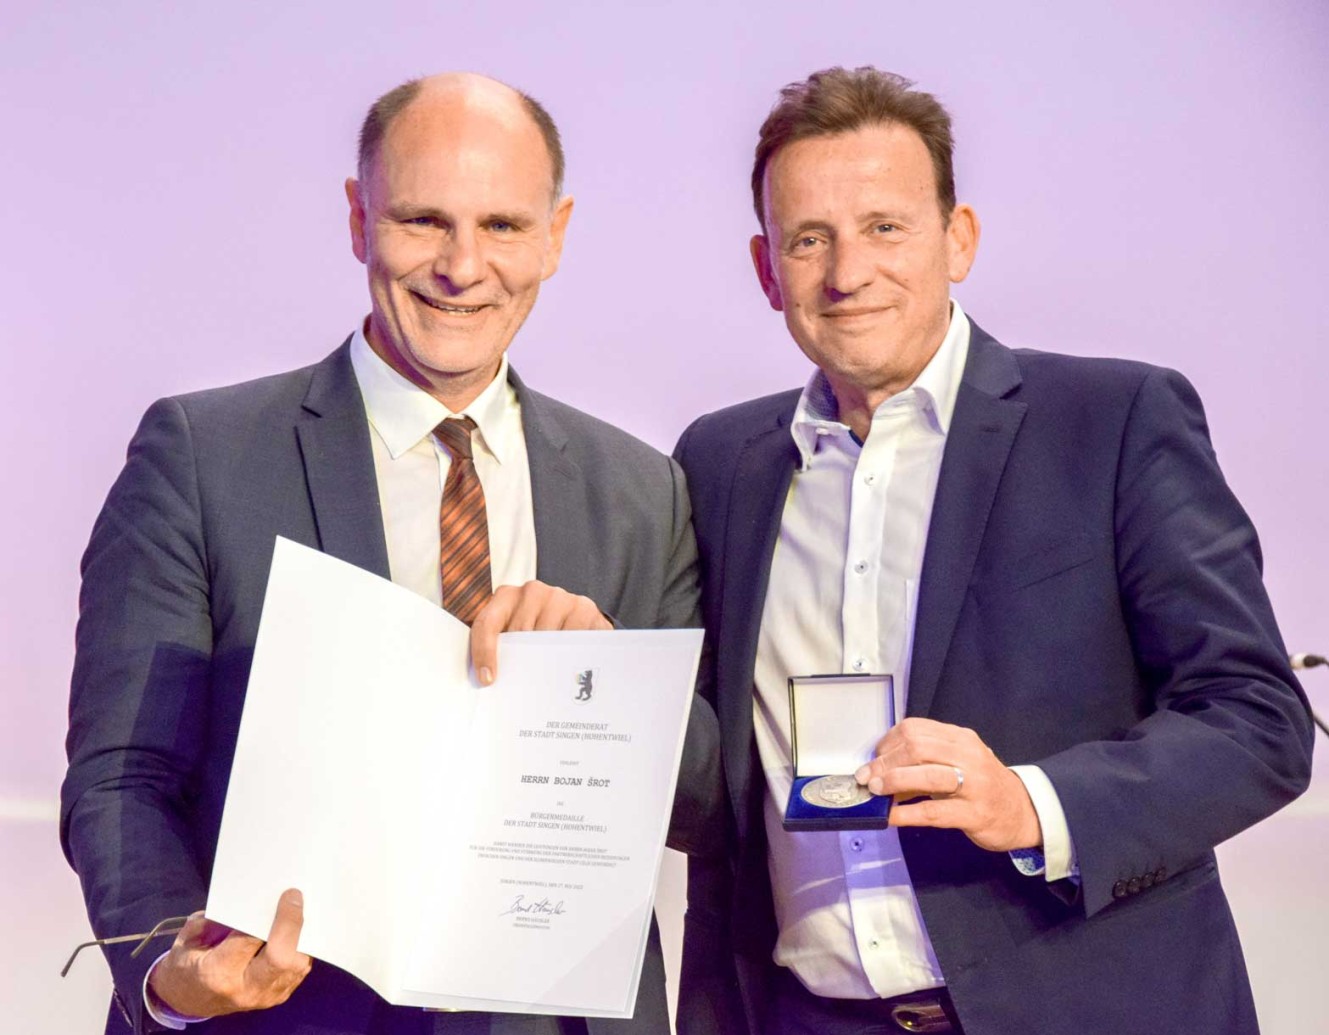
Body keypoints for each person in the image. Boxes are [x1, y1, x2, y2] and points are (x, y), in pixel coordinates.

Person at [62, 72, 720, 1035]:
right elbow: (123, 772)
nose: (462, 265)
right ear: (357, 219)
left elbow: (698, 807)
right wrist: (170, 970)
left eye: (501, 224)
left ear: (556, 233)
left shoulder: (638, 489)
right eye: (422, 219)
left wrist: (611, 676)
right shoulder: (203, 455)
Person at [674, 66, 1313, 1035]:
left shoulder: (1115, 423)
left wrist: (1033, 805)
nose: (848, 273)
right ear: (768, 270)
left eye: (885, 227)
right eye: (811, 240)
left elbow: (1262, 722)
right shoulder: (719, 463)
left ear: (958, 238)